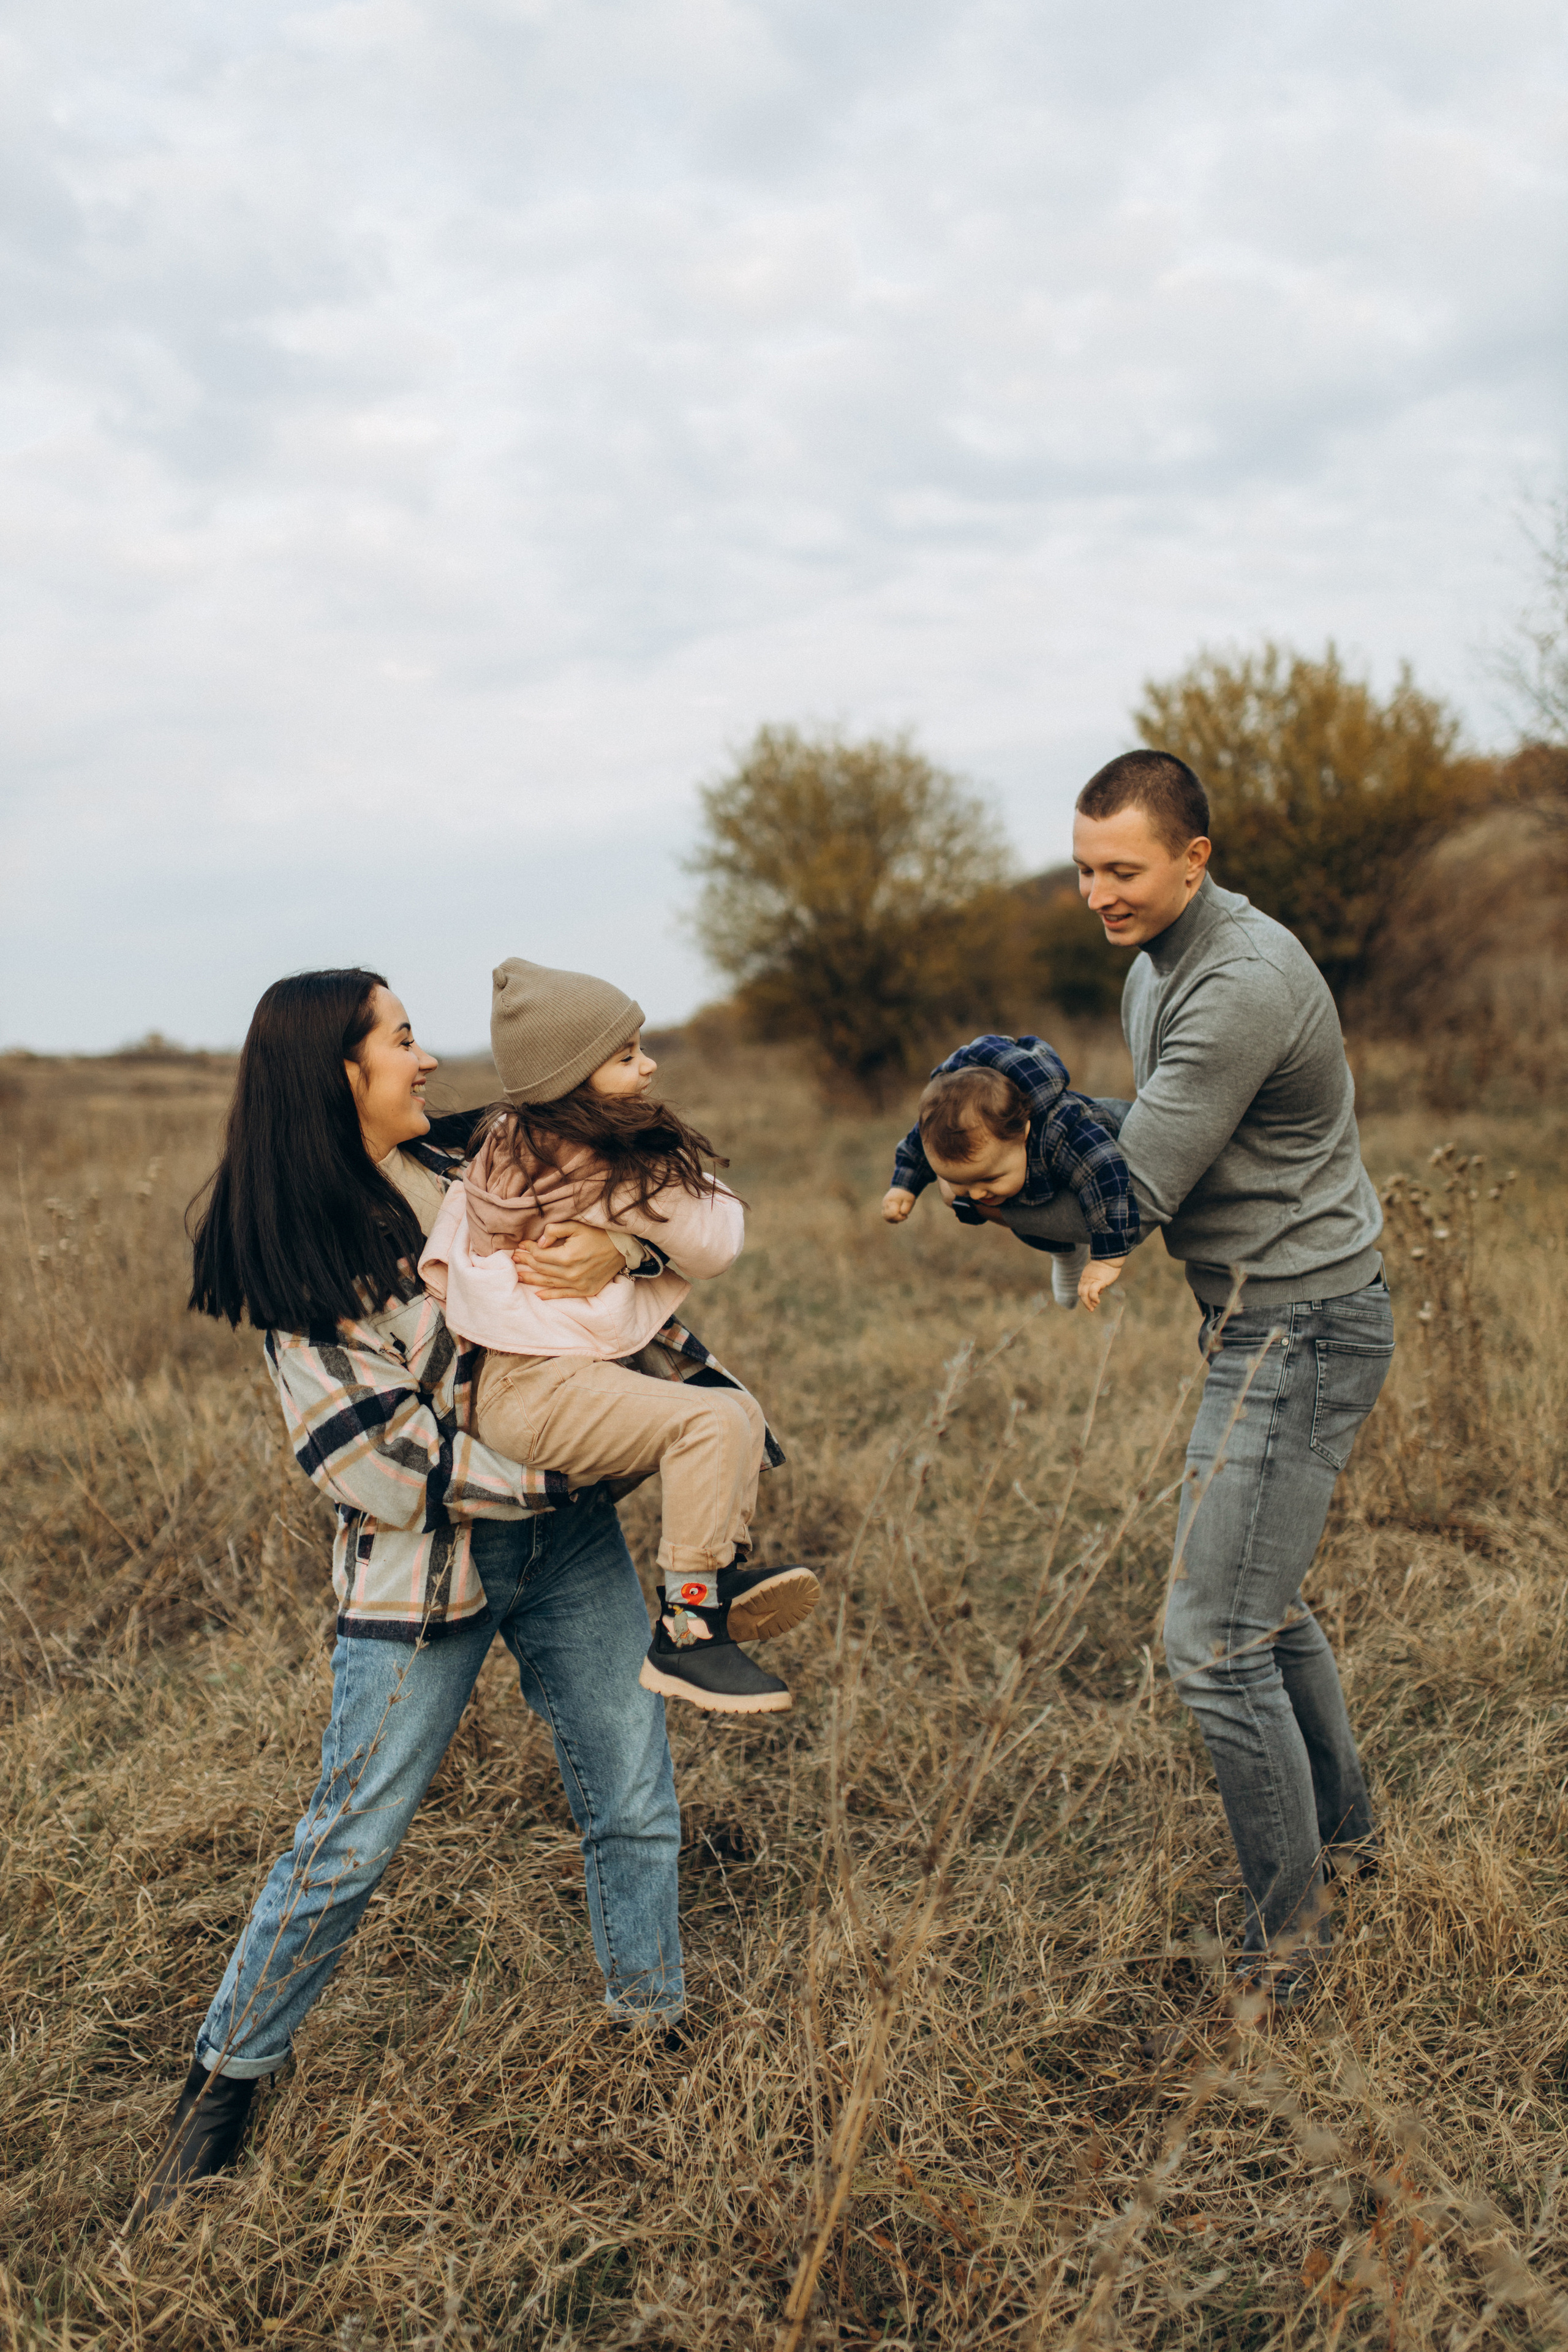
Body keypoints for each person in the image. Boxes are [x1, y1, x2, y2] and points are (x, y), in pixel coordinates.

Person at [130, 968, 783, 2220]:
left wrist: (667, 1339)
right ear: (338, 1072)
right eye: (402, 1038)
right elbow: (366, 1463)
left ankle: (650, 2031)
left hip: (571, 1541)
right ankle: (221, 2090)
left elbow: (604, 1277)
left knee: (635, 1792)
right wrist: (586, 1449)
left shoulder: (473, 1164)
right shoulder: (297, 1248)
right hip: (420, 1577)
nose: (428, 1061)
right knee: (348, 1839)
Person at [1072, 750, 1393, 2002]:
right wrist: (1036, 1112)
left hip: (1302, 1328)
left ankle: (1287, 1947)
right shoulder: (1153, 973)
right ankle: (1351, 1848)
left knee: (1209, 1644)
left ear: (1192, 859)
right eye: (1083, 868)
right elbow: (1155, 1124)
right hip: (1253, 1321)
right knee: (1259, 1605)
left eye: (1123, 869)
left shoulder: (1241, 979)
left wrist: (990, 1177)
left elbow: (1135, 1190)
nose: (1097, 892)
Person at [421, 956, 818, 1716]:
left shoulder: (507, 1147)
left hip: (528, 1383)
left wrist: (623, 1249)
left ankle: (714, 1579)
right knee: (707, 1420)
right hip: (534, 1389)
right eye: (627, 1056)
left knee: (733, 1412)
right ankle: (692, 1630)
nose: (649, 1066)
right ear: (572, 1079)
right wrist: (637, 1234)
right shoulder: (617, 1165)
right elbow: (717, 1236)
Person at [878, 1035, 1138, 1311]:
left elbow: (1107, 1176)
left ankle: (1071, 1249)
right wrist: (904, 1185)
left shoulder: (1066, 1134)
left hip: (1114, 1152)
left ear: (1024, 1134)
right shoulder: (946, 1124)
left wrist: (1107, 1258)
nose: (976, 1193)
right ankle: (1064, 1253)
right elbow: (918, 1143)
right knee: (1022, 1215)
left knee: (1080, 1198)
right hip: (1037, 1183)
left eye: (989, 1178)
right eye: (958, 1180)